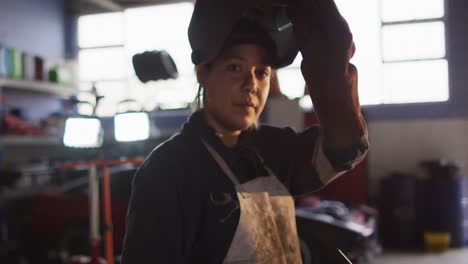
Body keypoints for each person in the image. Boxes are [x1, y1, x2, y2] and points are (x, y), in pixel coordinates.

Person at [122, 0, 369, 263]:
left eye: (261, 72)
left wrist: (329, 65)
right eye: (235, 67)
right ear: (202, 73)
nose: (251, 84)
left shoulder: (271, 151)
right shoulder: (168, 171)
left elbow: (345, 148)